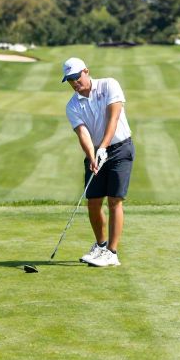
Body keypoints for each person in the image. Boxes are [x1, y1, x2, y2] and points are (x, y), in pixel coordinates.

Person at [62, 57, 134, 268]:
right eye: (69, 80)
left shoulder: (109, 85)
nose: (74, 83)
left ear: (86, 71)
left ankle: (112, 252)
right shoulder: (72, 106)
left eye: (76, 77)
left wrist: (103, 146)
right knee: (93, 201)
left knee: (114, 200)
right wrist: (93, 155)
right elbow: (82, 133)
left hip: (120, 148)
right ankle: (101, 246)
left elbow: (113, 117)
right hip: (96, 152)